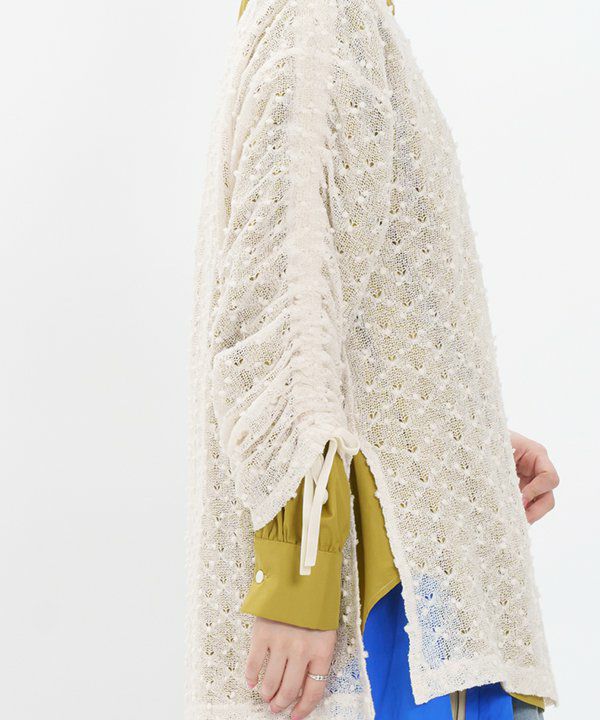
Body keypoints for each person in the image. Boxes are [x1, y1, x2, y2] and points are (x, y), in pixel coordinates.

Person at [186, 1, 559, 719]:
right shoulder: (321, 15)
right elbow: (276, 304)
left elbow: (353, 300)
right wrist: (298, 572)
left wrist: (463, 447)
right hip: (387, 601)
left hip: (409, 574)